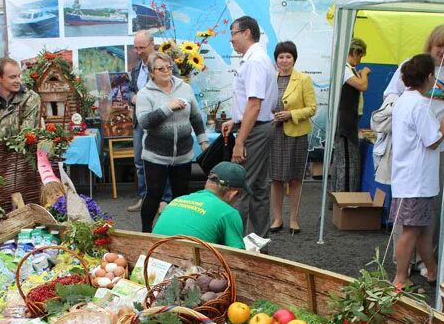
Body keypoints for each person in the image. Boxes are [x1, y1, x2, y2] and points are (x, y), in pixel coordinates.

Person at [383, 24, 444, 273]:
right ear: (430, 45)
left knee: (431, 207)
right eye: (441, 46)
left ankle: (427, 262)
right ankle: (403, 262)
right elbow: (390, 95)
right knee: (408, 210)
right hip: (417, 148)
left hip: (441, 148)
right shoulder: (413, 67)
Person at [390, 54, 444, 289]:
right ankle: (400, 277)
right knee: (411, 231)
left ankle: (433, 271)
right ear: (428, 77)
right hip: (416, 179)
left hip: (411, 177)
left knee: (423, 230)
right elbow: (432, 141)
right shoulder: (420, 105)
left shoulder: (404, 100)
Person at [136, 51, 208, 232]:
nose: (166, 71)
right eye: (161, 69)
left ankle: (179, 232)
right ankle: (146, 234)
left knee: (181, 197)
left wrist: (203, 141)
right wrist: (168, 108)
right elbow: (144, 122)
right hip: (155, 156)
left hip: (183, 155)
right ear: (152, 73)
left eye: (168, 67)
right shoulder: (145, 94)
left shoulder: (185, 87)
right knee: (153, 196)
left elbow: (196, 117)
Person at [221, 16, 278, 239]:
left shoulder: (254, 61)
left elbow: (255, 104)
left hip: (255, 132)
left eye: (233, 33)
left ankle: (237, 246)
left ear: (246, 33)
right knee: (259, 190)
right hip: (259, 128)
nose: (231, 39)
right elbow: (252, 104)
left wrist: (240, 141)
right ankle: (261, 242)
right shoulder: (258, 58)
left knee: (241, 189)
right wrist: (235, 120)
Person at [269, 40, 317, 235]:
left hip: (296, 135)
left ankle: (294, 219)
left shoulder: (303, 79)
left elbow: (312, 108)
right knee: (275, 179)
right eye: (281, 56)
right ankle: (277, 218)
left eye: (288, 56)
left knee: (295, 179)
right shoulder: (270, 78)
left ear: (294, 59)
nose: (284, 60)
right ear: (276, 59)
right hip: (274, 133)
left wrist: (291, 114)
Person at [126, 30, 171, 212]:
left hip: (159, 121)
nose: (138, 51)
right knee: (140, 161)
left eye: (141, 48)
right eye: (135, 48)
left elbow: (171, 88)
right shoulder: (137, 68)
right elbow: (129, 90)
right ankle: (145, 198)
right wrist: (133, 97)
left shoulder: (164, 65)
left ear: (152, 44)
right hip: (140, 122)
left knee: (162, 160)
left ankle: (164, 200)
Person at [153, 161, 247, 249]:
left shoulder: (177, 200)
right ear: (232, 194)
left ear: (208, 182)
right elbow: (238, 257)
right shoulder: (228, 213)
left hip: (151, 258)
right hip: (187, 264)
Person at [331, 38, 371, 194]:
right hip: (345, 124)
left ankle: (338, 199)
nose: (360, 60)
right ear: (355, 52)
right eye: (360, 56)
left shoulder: (349, 70)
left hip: (349, 122)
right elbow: (363, 86)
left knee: (344, 161)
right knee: (347, 165)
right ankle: (344, 199)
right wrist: (365, 73)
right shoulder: (345, 69)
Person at [0, 57, 40, 142]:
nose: (18, 81)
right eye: (13, 77)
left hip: (21, 153)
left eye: (19, 76)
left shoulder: (30, 98)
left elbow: (27, 134)